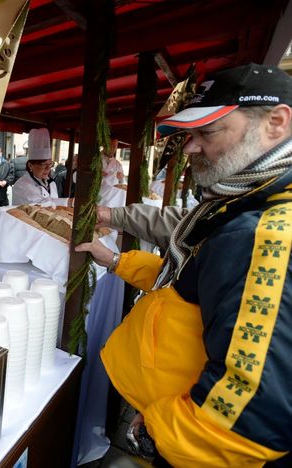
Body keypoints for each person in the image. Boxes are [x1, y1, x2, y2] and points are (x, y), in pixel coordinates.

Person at [76, 63, 292, 466]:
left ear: (276, 124)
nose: (191, 147)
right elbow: (189, 283)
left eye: (207, 133)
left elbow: (253, 415)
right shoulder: (239, 203)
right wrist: (117, 260)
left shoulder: (267, 235)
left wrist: (156, 430)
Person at [12, 128, 64, 205]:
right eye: (43, 165)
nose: (48, 169)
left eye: (50, 164)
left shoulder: (51, 184)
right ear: (30, 165)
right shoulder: (21, 186)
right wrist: (68, 202)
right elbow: (39, 205)